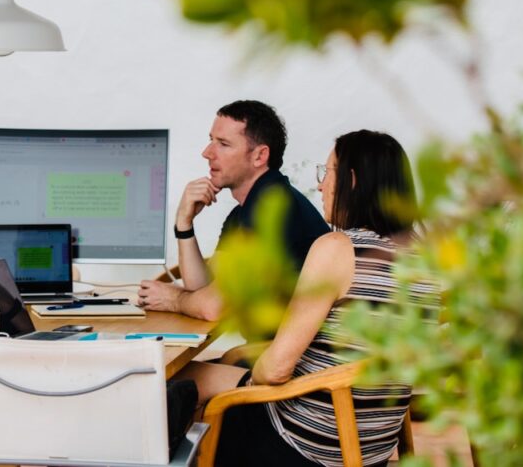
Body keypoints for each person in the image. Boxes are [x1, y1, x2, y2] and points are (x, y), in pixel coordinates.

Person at [178, 130, 426, 466]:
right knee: (226, 366)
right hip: (368, 447)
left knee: (183, 382)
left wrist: (246, 384)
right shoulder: (425, 259)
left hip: (308, 444)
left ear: (351, 182)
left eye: (327, 174)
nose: (321, 186)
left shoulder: (339, 249)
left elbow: (277, 370)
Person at [138, 100, 329, 320]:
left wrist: (174, 299)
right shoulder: (245, 210)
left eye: (223, 144)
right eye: (211, 140)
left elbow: (214, 307)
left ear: (259, 156)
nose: (207, 153)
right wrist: (184, 223)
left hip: (297, 353)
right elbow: (205, 287)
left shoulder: (272, 207)